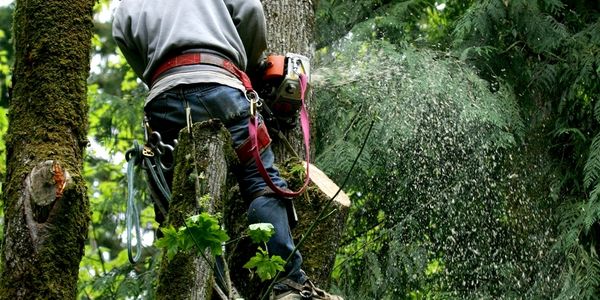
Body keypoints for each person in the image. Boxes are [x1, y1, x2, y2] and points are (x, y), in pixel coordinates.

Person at [112, 1, 342, 299]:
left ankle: (207, 286)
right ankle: (288, 284)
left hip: (163, 98)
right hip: (221, 84)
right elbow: (250, 14)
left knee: (179, 198)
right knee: (261, 184)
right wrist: (244, 63)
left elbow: (125, 40)